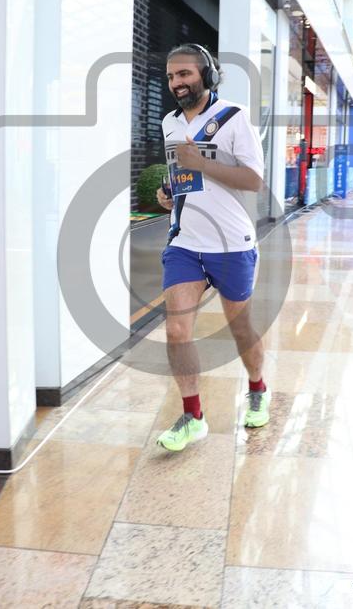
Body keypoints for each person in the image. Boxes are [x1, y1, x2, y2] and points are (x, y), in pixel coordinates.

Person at [155, 43, 270, 452]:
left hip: (231, 244)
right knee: (176, 330)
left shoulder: (234, 117)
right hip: (185, 242)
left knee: (240, 328)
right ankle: (193, 416)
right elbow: (183, 175)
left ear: (208, 73)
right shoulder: (169, 122)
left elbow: (254, 180)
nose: (177, 83)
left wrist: (202, 162)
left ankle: (257, 388)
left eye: (184, 74)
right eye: (171, 76)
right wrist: (169, 194)